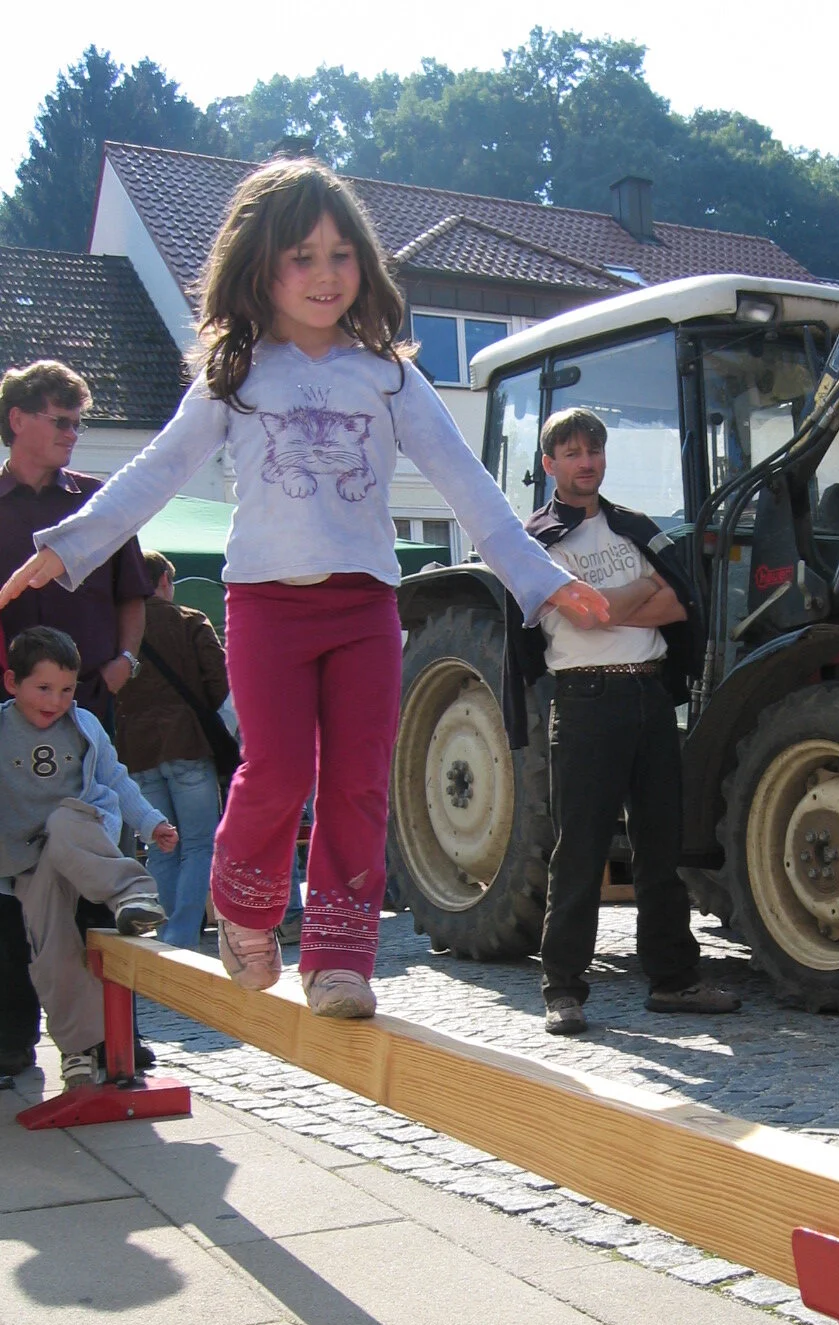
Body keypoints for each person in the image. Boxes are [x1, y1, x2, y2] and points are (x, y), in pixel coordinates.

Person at [0, 158, 607, 1023]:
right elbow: (156, 472)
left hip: (363, 606)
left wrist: (542, 581)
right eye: (301, 258)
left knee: (358, 782)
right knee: (278, 769)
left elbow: (468, 486)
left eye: (339, 256)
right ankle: (245, 905)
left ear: (363, 263)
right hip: (267, 605)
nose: (324, 276)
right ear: (262, 269)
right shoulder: (236, 376)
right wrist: (66, 549)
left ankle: (337, 957)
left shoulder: (388, 376)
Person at [506, 406, 739, 1035]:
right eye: (573, 453)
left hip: (649, 698)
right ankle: (563, 988)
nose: (587, 463)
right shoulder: (536, 542)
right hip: (583, 704)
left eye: (595, 451)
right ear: (550, 464)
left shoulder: (637, 528)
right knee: (578, 850)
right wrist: (630, 602)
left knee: (662, 848)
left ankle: (673, 980)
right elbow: (586, 616)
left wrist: (613, 606)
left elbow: (678, 603)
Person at [0, 359, 155, 1077]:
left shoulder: (98, 505)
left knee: (95, 874)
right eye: (60, 420)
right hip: (2, 721)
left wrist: (125, 659)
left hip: (85, 708)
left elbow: (133, 594)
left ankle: (109, 1037)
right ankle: (9, 1038)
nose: (72, 434)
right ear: (18, 420)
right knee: (13, 878)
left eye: (77, 421)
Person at [0, 627, 177, 1089]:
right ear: (11, 683)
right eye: (43, 688)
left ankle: (132, 894)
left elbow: (117, 781)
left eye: (66, 689)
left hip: (83, 841)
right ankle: (77, 1046)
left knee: (63, 822)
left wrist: (151, 822)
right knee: (48, 953)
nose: (55, 701)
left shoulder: (84, 726)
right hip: (28, 863)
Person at [116, 552, 230, 948]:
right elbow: (221, 682)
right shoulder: (190, 620)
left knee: (160, 846)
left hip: (137, 751)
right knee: (199, 844)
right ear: (165, 580)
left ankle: (165, 938)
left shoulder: (117, 630)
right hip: (187, 743)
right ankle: (182, 936)